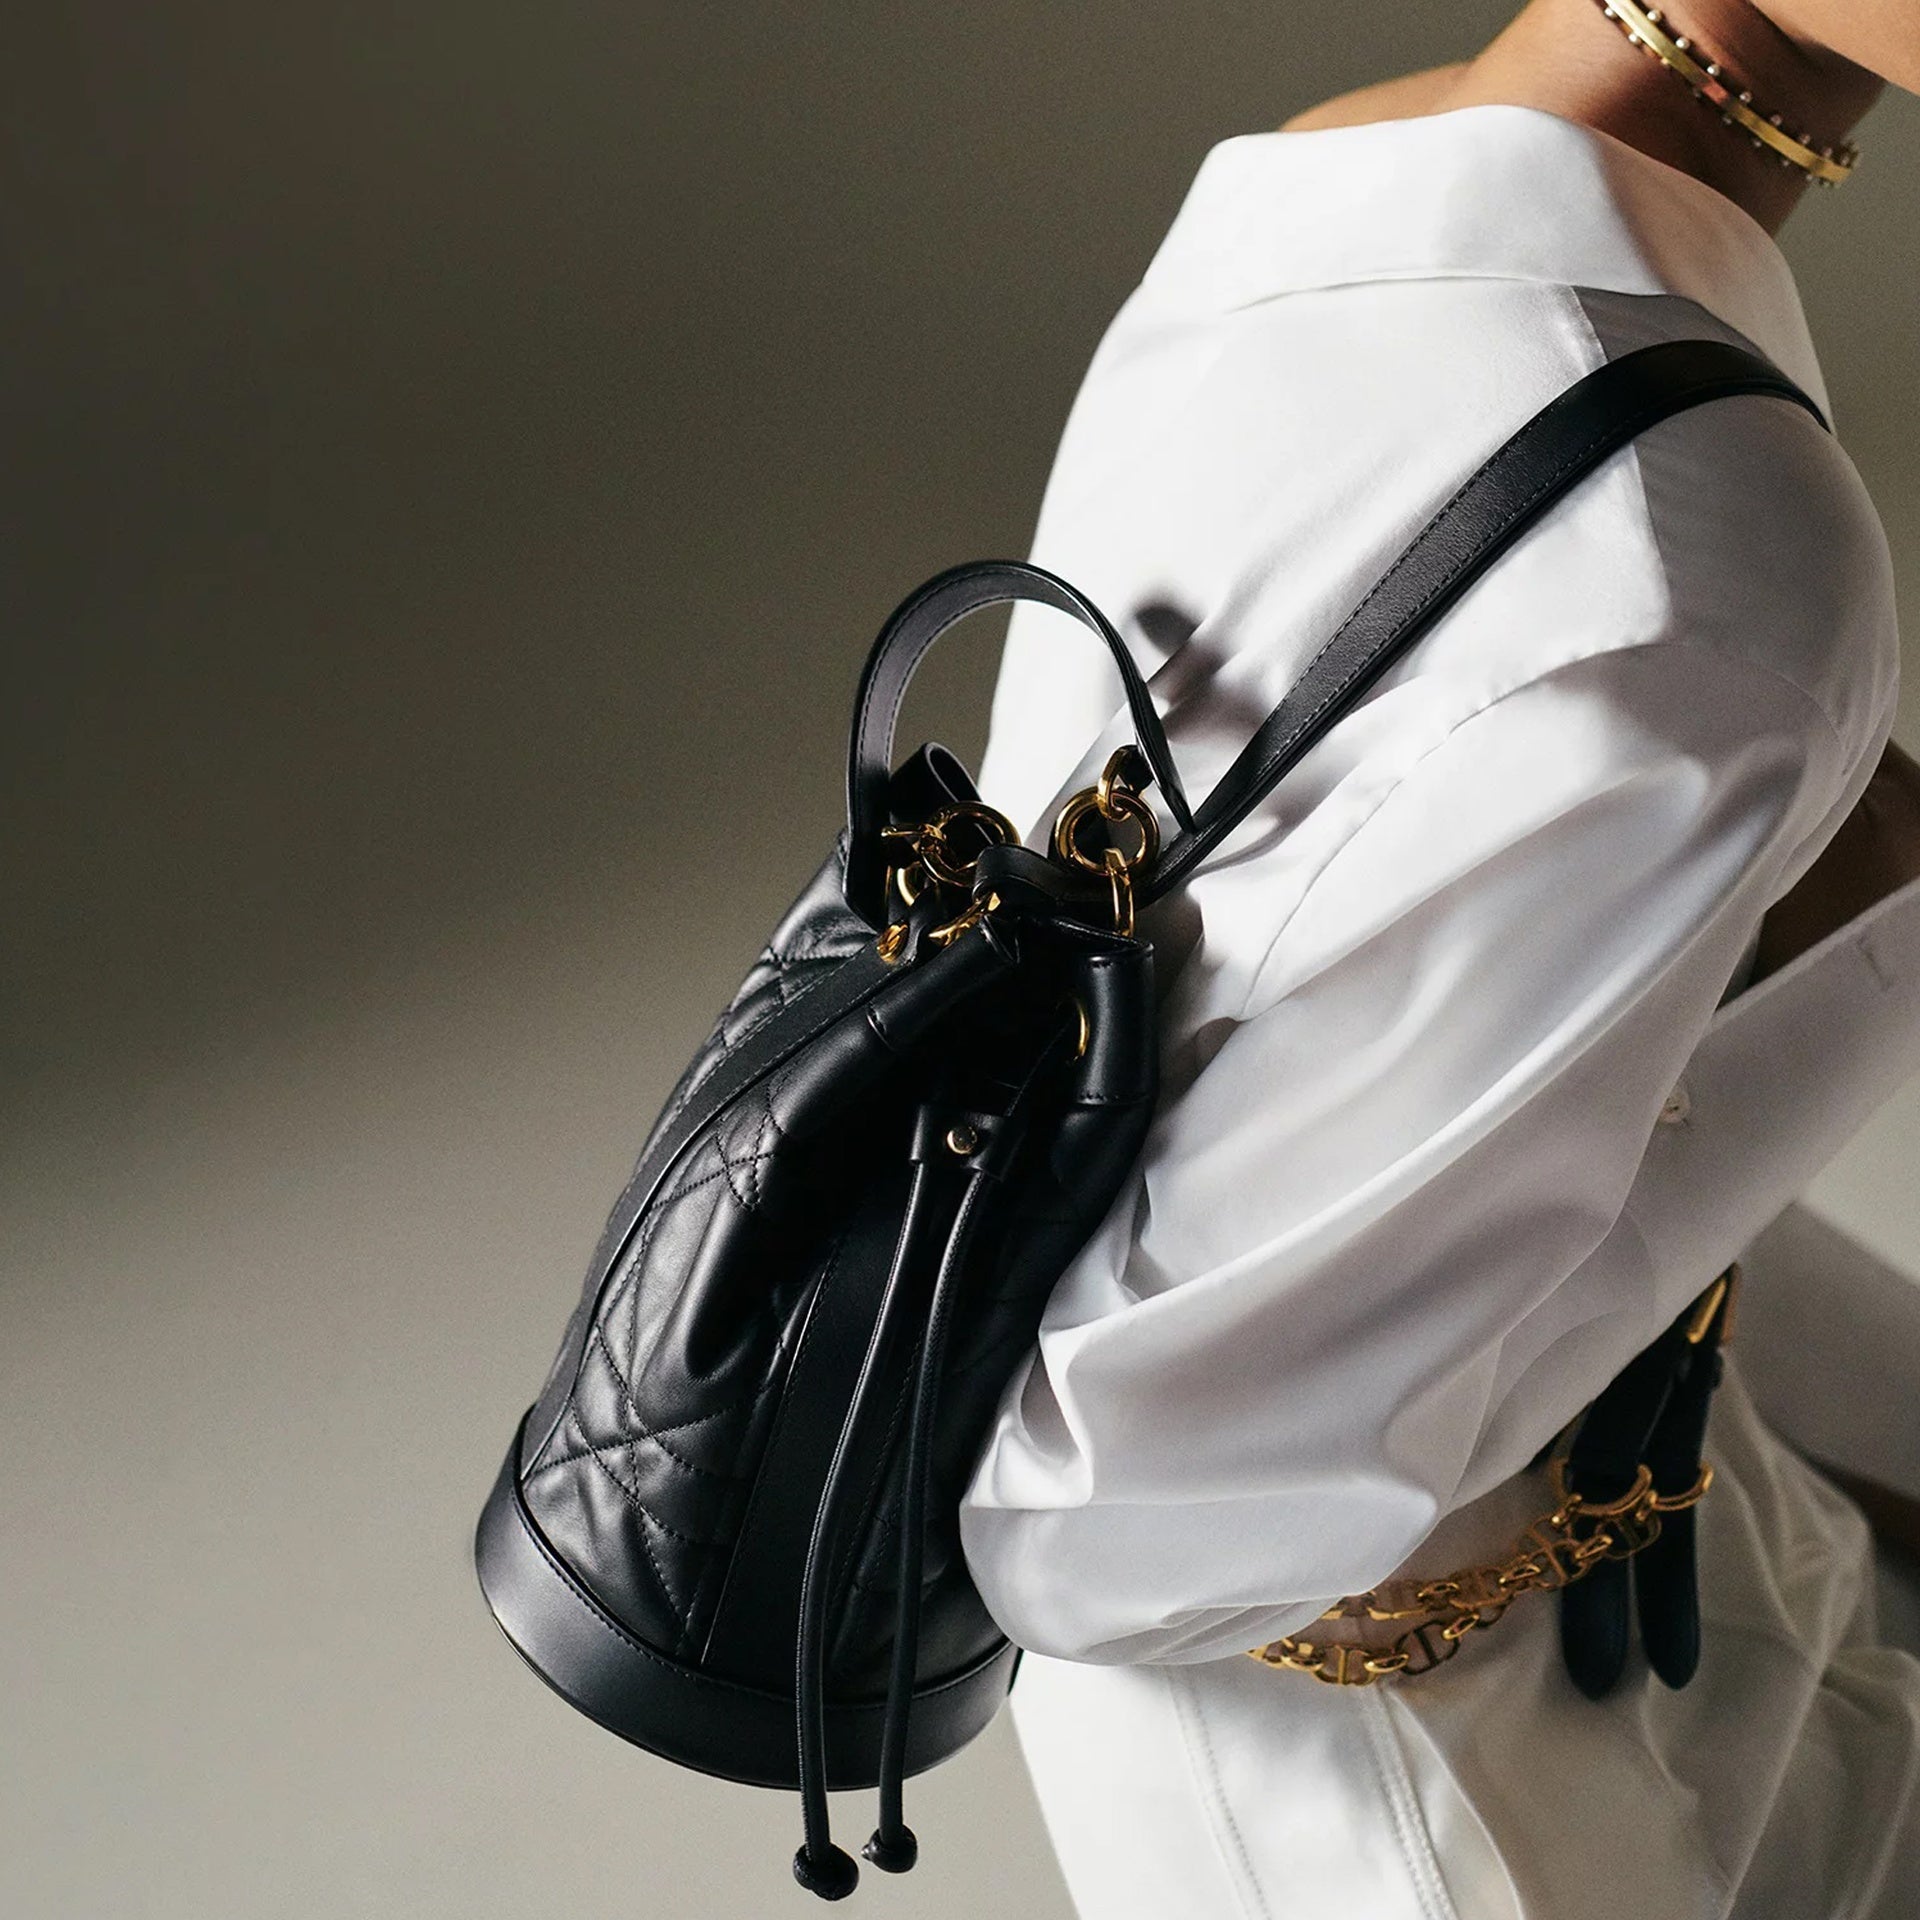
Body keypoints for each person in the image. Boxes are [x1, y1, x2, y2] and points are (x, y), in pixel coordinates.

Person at [954, 3, 1920, 1914]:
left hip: (1620, 1572)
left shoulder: (1374, 174)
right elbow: (1094, 1531)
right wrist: (1855, 923)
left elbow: (1434, 1078)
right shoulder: (1709, 558)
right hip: (1468, 1805)